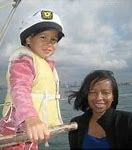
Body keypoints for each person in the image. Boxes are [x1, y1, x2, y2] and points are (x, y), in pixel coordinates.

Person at [0, 9, 65, 149]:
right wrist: (31, 118)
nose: (49, 43)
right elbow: (20, 88)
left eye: (53, 40)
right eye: (43, 37)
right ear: (29, 39)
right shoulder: (24, 61)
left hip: (30, 131)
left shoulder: (44, 63)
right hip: (16, 130)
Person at [68, 70, 132, 149]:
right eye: (93, 92)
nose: (99, 98)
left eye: (106, 93)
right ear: (87, 95)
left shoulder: (128, 121)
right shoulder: (76, 124)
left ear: (113, 97)